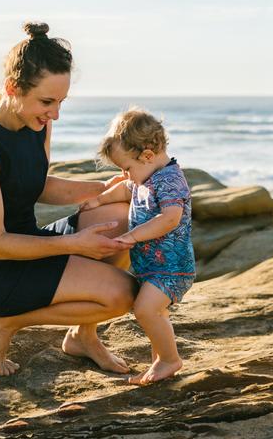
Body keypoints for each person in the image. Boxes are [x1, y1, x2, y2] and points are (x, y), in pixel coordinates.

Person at [0, 22, 138, 377]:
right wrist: (74, 243)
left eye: (61, 102)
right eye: (47, 101)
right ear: (12, 88)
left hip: (31, 244)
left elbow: (35, 184)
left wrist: (104, 190)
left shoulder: (37, 124)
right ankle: (3, 322)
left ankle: (84, 336)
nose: (55, 114)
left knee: (122, 215)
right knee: (124, 296)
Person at [80, 108, 196, 384]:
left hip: (172, 268)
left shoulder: (169, 180)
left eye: (127, 168)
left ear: (147, 155)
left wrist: (132, 237)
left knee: (145, 310)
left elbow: (170, 218)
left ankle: (170, 360)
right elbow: (124, 189)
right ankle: (160, 361)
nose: (124, 174)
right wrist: (99, 201)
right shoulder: (146, 176)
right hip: (152, 266)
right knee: (155, 312)